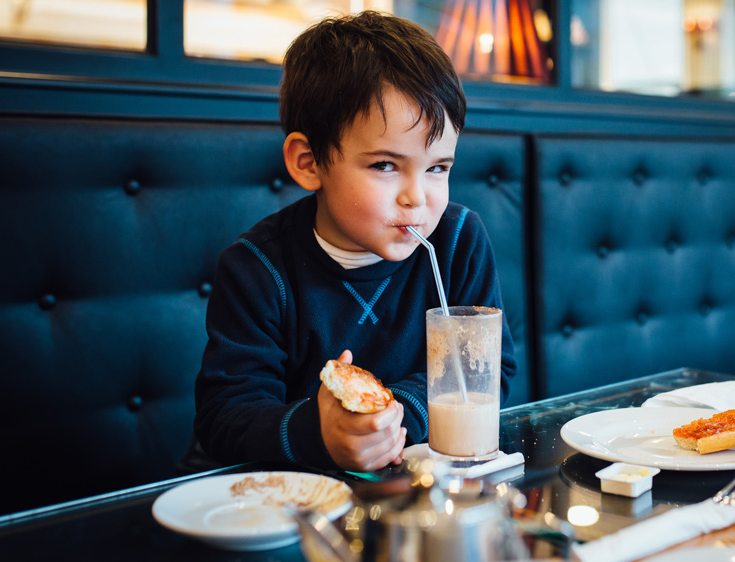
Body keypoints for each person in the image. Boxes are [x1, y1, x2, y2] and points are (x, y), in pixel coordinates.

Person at [189, 11, 516, 473]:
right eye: (385, 165)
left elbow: (489, 372)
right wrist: (322, 433)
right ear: (309, 163)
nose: (417, 198)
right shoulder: (258, 268)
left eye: (438, 168)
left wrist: (394, 415)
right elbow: (225, 418)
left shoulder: (458, 239)